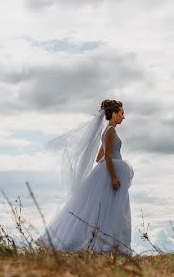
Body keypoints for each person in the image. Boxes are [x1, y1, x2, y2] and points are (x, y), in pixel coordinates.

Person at [38, 99, 133, 253]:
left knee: (102, 210)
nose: (124, 116)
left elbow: (99, 157)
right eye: (122, 113)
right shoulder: (110, 131)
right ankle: (108, 245)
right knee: (114, 211)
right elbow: (108, 157)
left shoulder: (107, 132)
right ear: (114, 114)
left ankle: (104, 243)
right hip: (110, 174)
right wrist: (114, 177)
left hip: (104, 173)